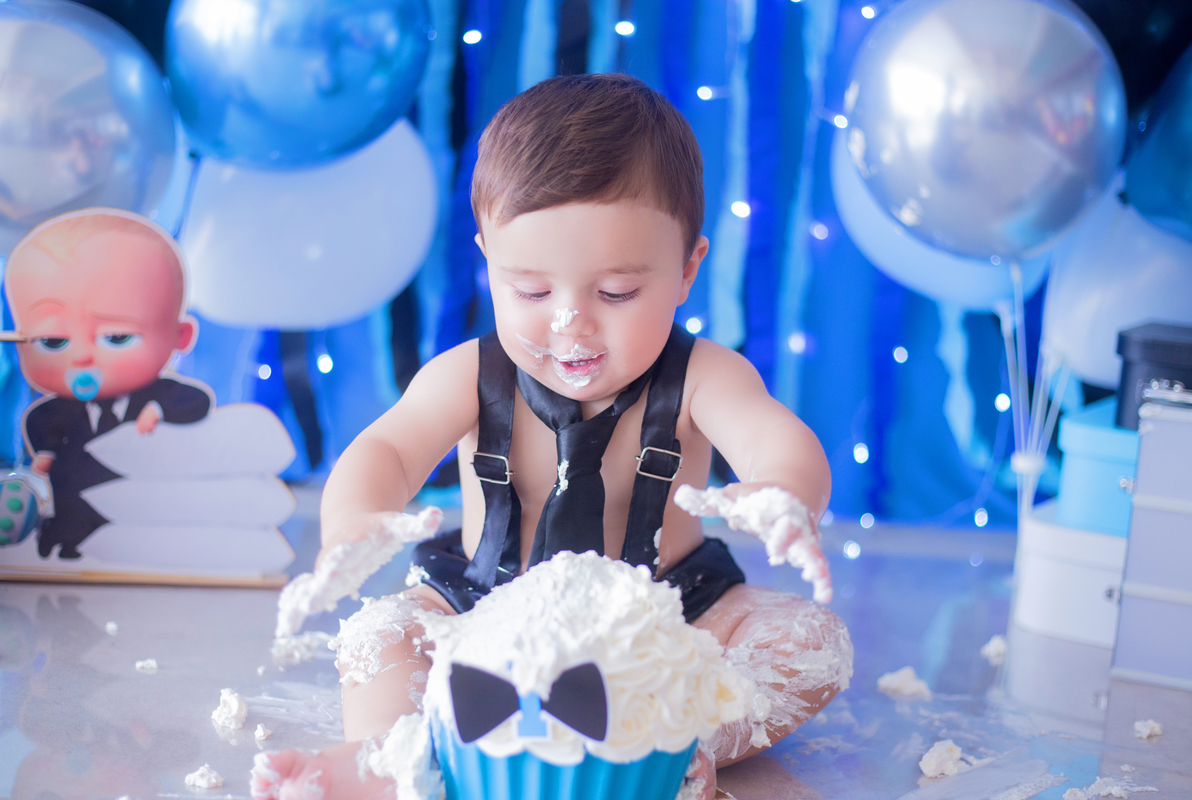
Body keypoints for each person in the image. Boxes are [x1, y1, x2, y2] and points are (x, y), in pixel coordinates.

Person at [257, 74, 852, 800]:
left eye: (616, 293)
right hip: (483, 604)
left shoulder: (704, 376)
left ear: (688, 268)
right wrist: (353, 523)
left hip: (669, 613)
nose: (570, 323)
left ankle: (673, 746)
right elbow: (389, 447)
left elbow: (772, 437)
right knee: (381, 634)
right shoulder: (468, 375)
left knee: (810, 645)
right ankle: (399, 757)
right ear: (488, 261)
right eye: (532, 291)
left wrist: (783, 494)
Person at [6, 208, 212, 560]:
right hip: (72, 507)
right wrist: (45, 453)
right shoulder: (57, 410)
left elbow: (196, 402)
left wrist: (156, 409)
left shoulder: (161, 395)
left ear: (181, 336)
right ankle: (58, 540)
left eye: (116, 337)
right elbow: (39, 420)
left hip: (142, 519)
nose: (83, 356)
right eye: (54, 341)